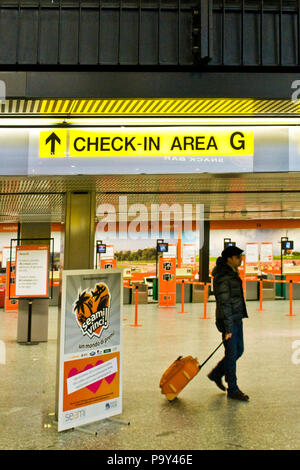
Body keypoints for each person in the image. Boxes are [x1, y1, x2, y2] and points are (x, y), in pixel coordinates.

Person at [207, 245, 249, 401]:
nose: (240, 260)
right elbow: (224, 303)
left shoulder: (231, 273)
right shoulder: (224, 276)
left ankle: (217, 373)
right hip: (228, 320)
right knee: (232, 354)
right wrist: (228, 328)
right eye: (238, 257)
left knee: (239, 350)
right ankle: (233, 388)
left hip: (236, 317)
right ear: (229, 259)